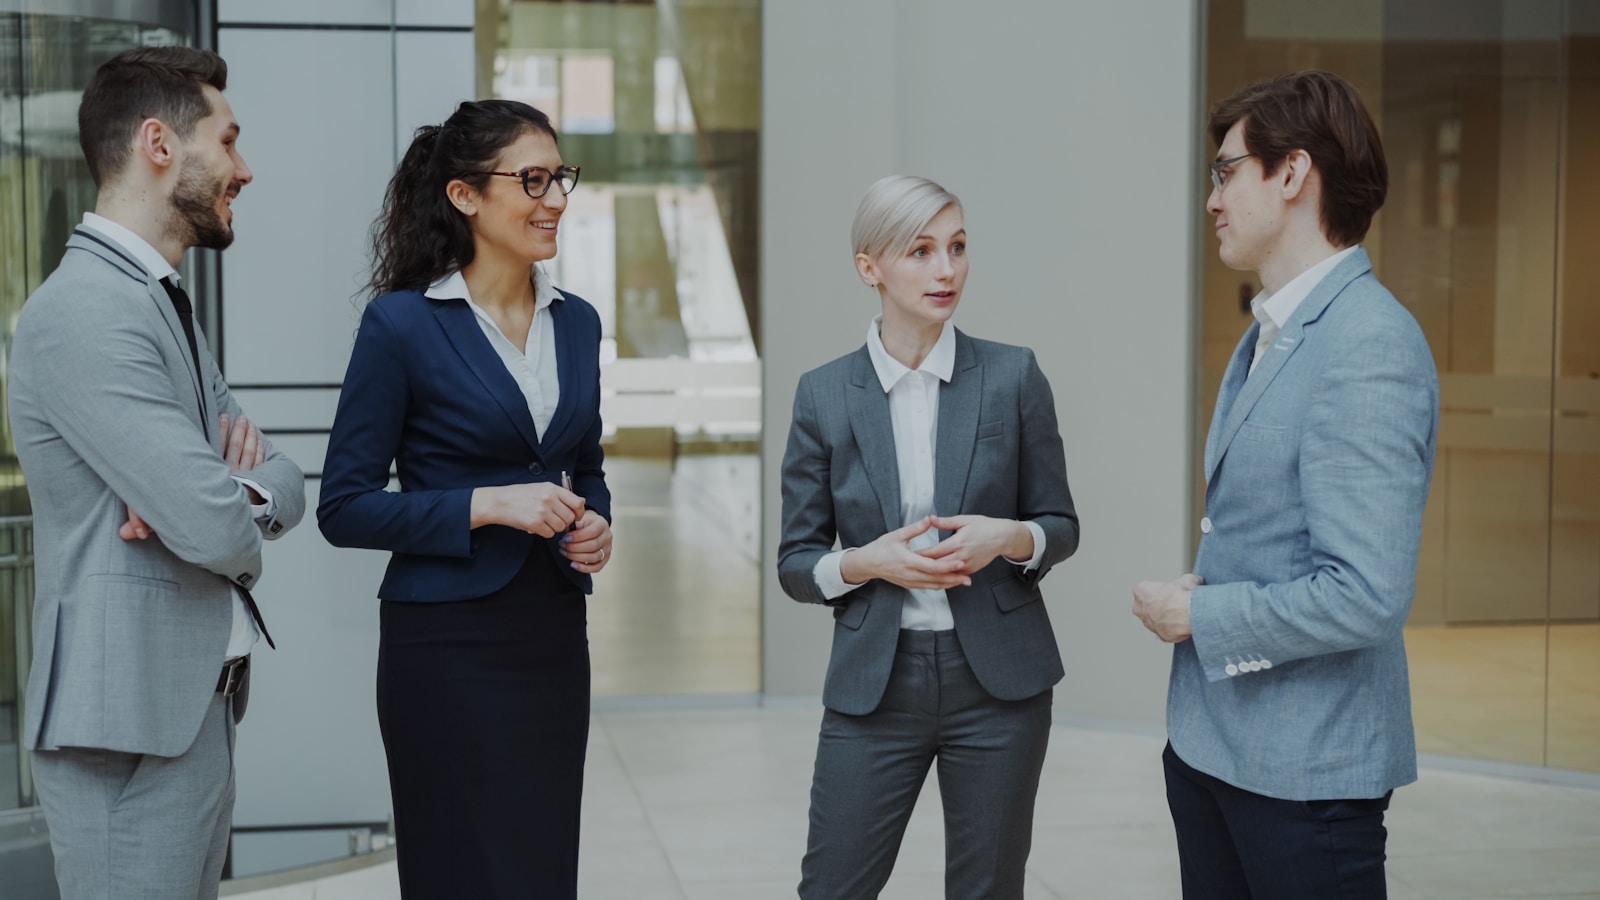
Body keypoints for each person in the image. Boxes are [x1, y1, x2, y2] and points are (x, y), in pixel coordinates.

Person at [1132, 70, 1439, 898]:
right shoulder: (1276, 326)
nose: (1212, 200)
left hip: (1306, 779)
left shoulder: (1369, 343)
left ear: (1293, 172)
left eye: (1226, 171)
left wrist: (1199, 615)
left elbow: (1366, 595)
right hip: (1216, 751)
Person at [9, 46, 305, 899]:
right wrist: (209, 498)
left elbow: (281, 482)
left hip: (188, 711)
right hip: (127, 731)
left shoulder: (157, 300)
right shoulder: (87, 311)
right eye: (229, 140)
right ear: (158, 143)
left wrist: (223, 489)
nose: (244, 169)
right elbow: (210, 523)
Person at [317, 99, 613, 899]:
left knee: (542, 865)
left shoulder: (579, 323)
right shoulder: (401, 325)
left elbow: (584, 466)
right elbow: (343, 506)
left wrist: (596, 524)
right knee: (457, 869)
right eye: (533, 179)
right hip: (444, 646)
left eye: (560, 178)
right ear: (465, 195)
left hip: (552, 634)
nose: (555, 199)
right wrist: (488, 504)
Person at [778, 175, 1079, 899]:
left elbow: (1060, 525)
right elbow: (796, 562)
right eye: (920, 251)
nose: (947, 270)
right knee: (831, 888)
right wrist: (866, 563)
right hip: (875, 684)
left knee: (988, 889)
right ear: (870, 267)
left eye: (958, 247)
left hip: (1000, 685)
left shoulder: (1012, 375)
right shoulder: (823, 394)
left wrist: (1008, 538)